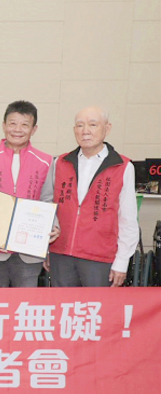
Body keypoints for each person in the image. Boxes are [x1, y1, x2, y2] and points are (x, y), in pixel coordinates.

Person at [44, 106, 138, 287]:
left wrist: (122, 261)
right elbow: (50, 207)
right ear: (74, 130)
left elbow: (128, 219)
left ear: (107, 128)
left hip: (99, 258)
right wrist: (45, 249)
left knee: (97, 305)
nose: (85, 131)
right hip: (61, 255)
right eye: (80, 125)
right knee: (62, 304)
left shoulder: (123, 167)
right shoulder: (60, 163)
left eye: (93, 125)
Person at [0, 100, 56, 287]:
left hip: (29, 251)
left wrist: (53, 224)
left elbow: (47, 199)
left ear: (34, 129)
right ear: (4, 125)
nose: (17, 130)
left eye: (25, 125)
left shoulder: (46, 161)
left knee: (25, 301)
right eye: (12, 123)